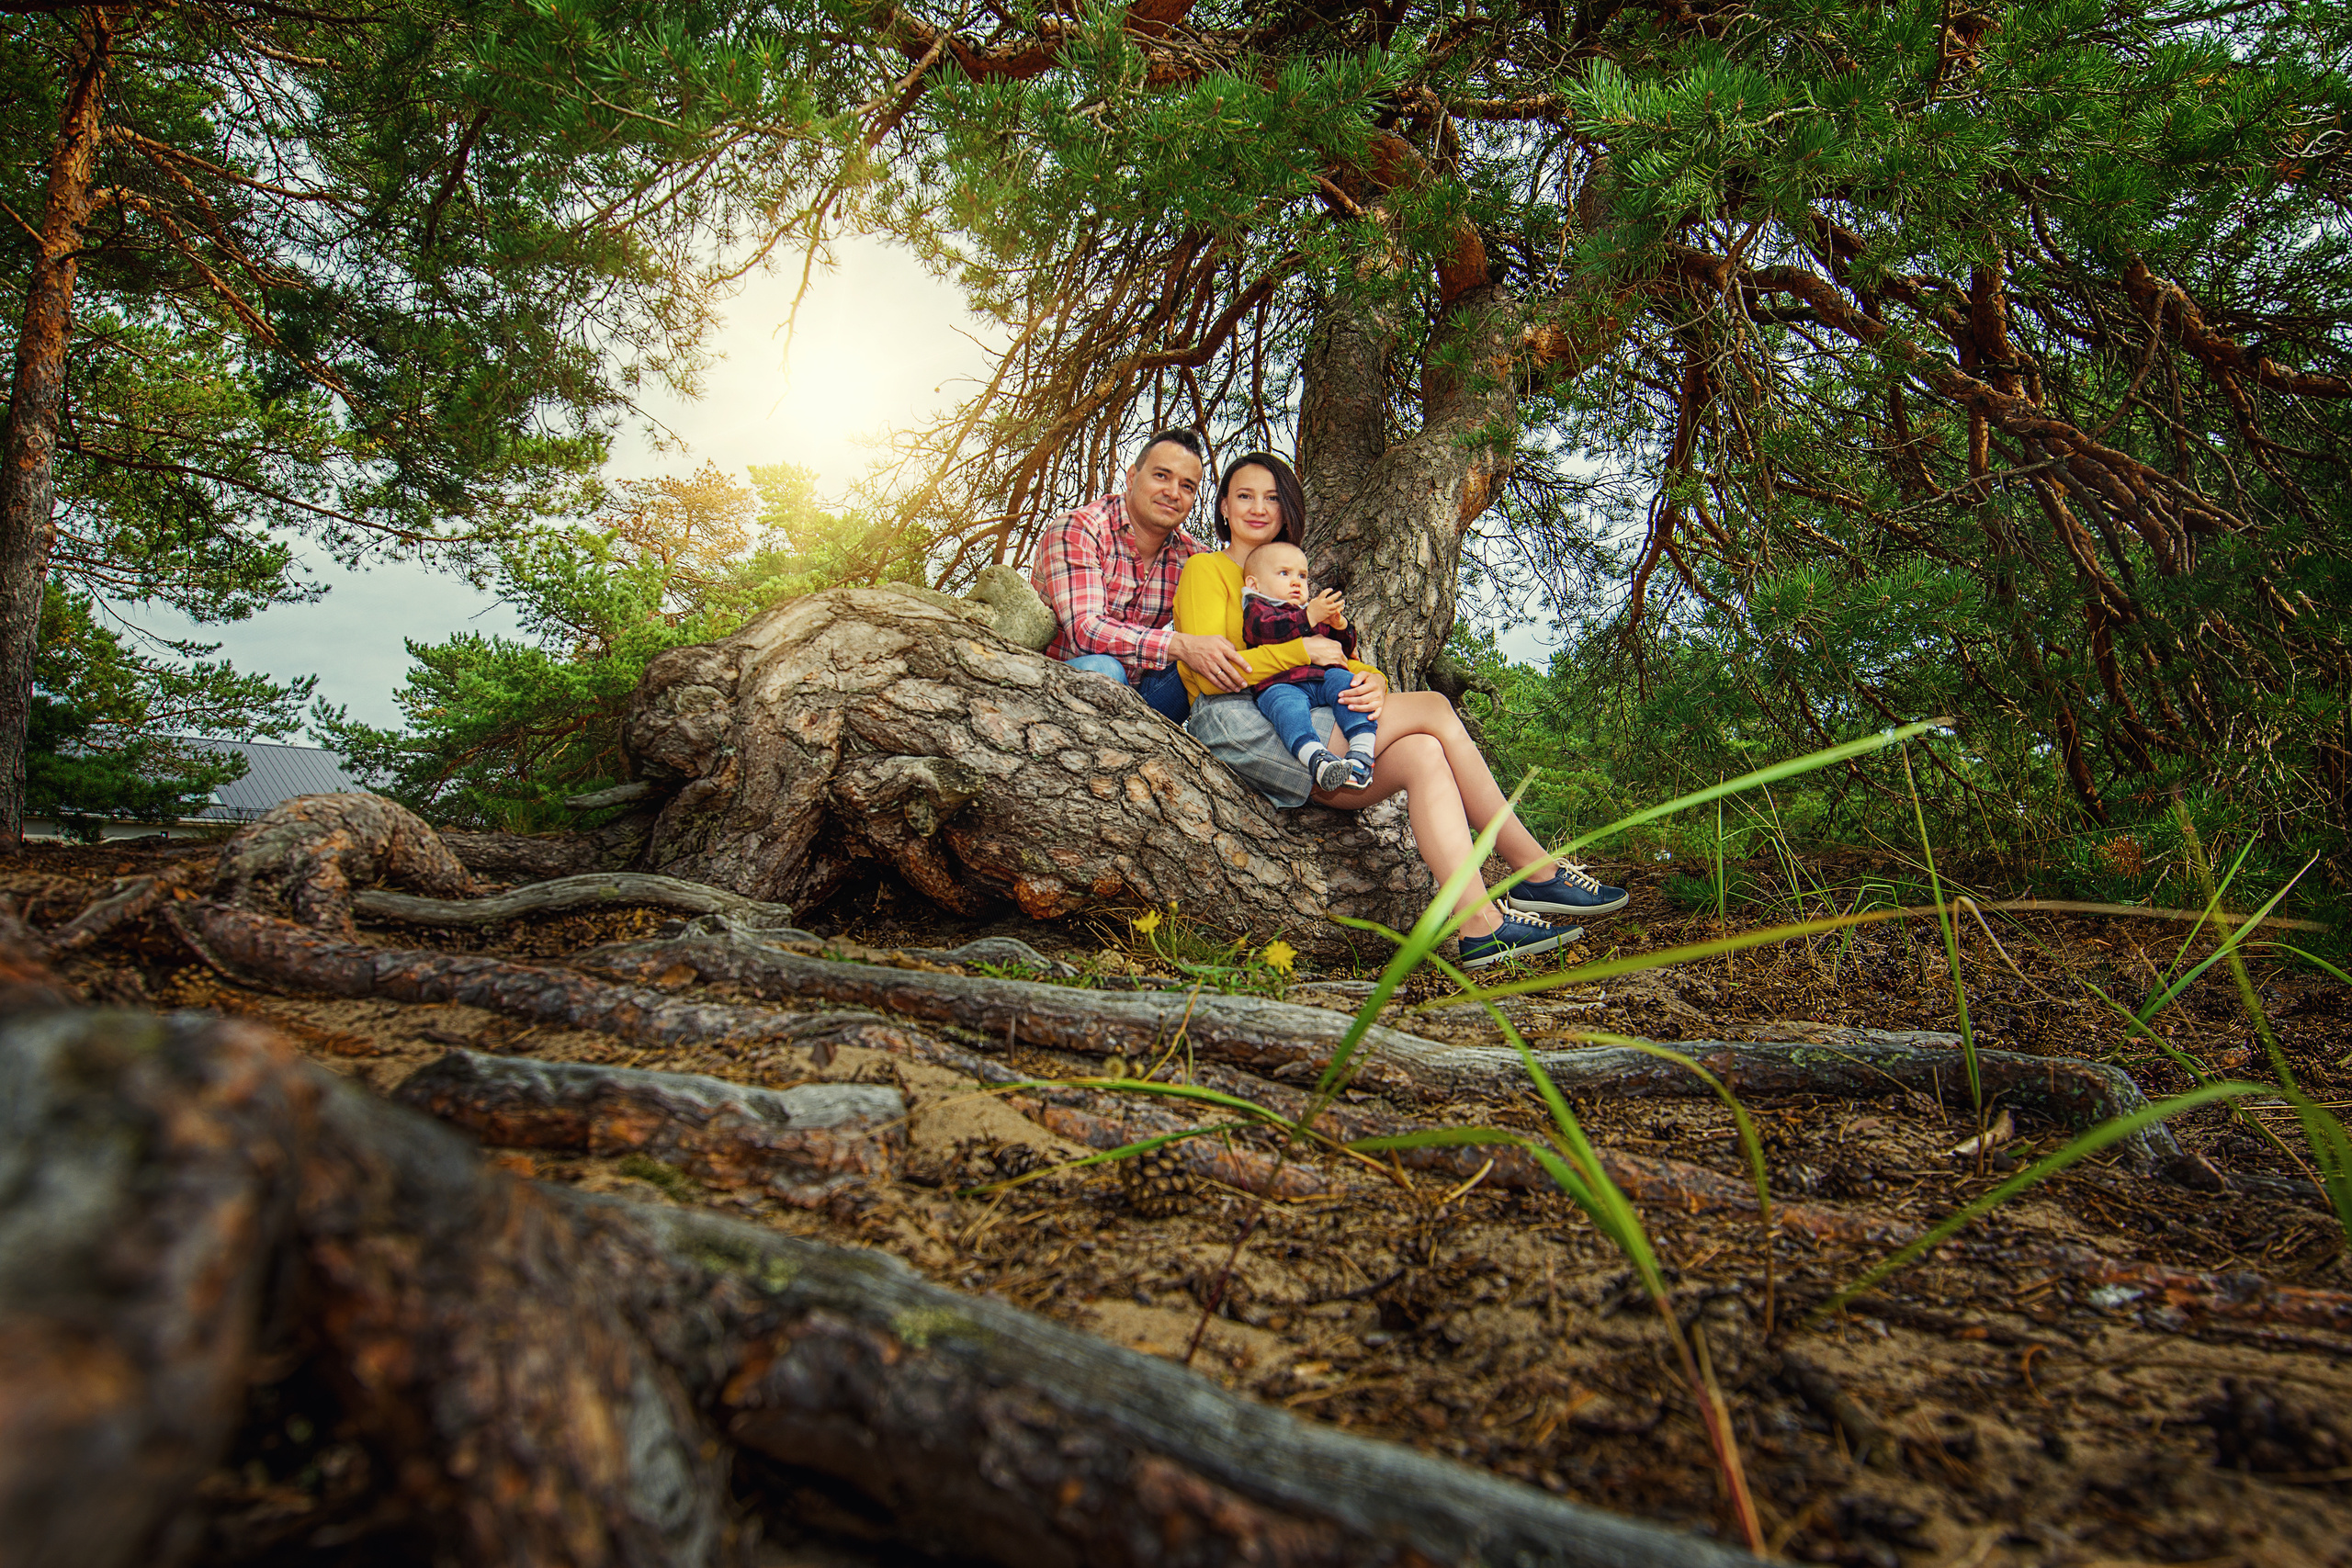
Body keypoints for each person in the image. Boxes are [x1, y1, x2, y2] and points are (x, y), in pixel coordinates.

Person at [1174, 451, 1630, 970]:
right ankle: (1536, 871)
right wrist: (1303, 652)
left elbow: (1340, 660)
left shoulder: (1292, 576)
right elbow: (1212, 670)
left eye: (1272, 497)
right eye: (1244, 496)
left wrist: (1374, 682)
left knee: (1422, 753)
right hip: (1236, 718)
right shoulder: (1207, 568)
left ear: (1287, 509)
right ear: (1224, 508)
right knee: (1435, 706)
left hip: (1309, 725)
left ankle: (1480, 928)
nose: (1259, 508)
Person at [1031, 426, 1253, 722]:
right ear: (1133, 477)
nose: (1173, 493)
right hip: (1069, 683)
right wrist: (1180, 645)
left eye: (1187, 486)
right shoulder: (1081, 529)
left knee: (1211, 653)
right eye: (1162, 476)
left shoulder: (1193, 558)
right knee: (1107, 670)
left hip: (1145, 698)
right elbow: (1086, 631)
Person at [1238, 540, 1380, 792]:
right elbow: (1262, 632)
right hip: (1280, 683)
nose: (1296, 582)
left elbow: (1343, 653)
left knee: (1349, 689)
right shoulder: (1258, 608)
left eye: (1302, 576)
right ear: (1254, 585)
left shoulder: (1310, 610)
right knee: (1287, 711)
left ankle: (1362, 755)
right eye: (1284, 573)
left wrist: (1339, 627)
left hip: (1321, 679)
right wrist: (1309, 617)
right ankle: (1317, 758)